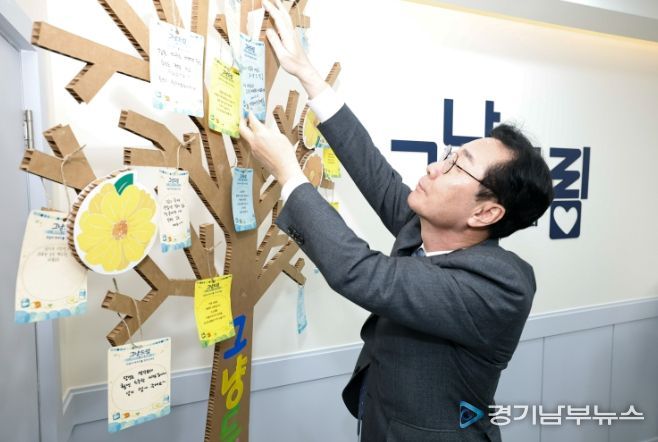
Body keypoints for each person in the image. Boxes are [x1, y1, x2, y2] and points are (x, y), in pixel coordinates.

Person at [240, 1, 554, 440]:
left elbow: (362, 273)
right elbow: (374, 172)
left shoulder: (500, 286)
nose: (434, 168)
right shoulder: (426, 229)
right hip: (380, 422)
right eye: (449, 155)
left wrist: (289, 173)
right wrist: (307, 73)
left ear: (485, 212)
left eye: (457, 167)